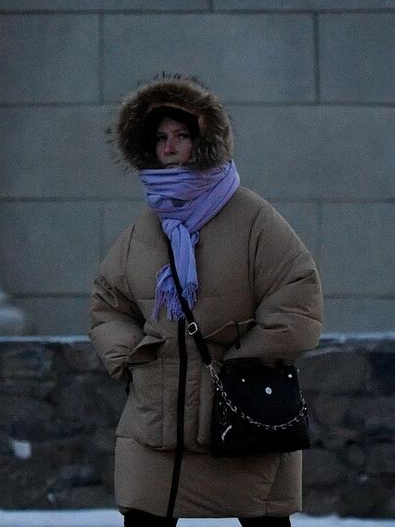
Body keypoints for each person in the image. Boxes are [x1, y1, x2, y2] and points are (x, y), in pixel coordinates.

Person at [90, 75, 323, 527]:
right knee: (144, 518)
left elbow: (299, 297)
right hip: (157, 426)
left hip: (237, 415)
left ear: (204, 142)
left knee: (262, 519)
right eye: (161, 138)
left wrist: (246, 360)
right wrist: (134, 355)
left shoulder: (253, 218)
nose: (170, 147)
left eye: (182, 135)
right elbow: (107, 303)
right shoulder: (145, 230)